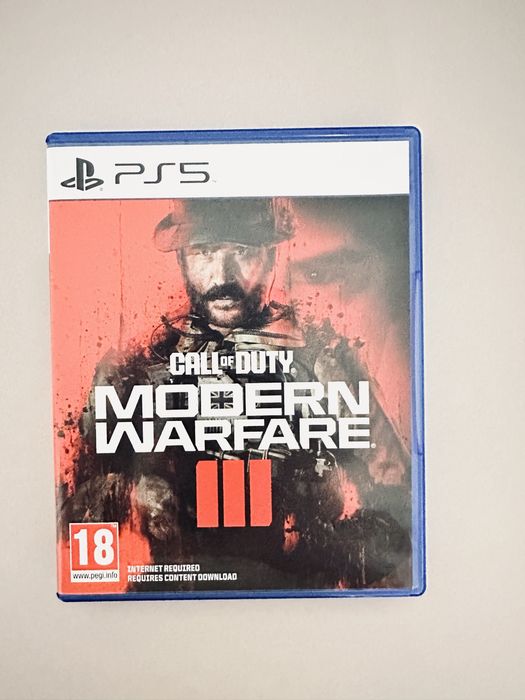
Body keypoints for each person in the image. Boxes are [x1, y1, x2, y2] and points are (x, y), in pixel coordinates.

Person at [62, 197, 411, 590]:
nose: (222, 275)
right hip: (170, 603)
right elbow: (78, 514)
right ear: (182, 259)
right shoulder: (136, 369)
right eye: (205, 251)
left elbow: (398, 506)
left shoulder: (324, 363)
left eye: (242, 251)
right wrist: (132, 496)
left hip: (297, 601)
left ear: (272, 256)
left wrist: (320, 557)